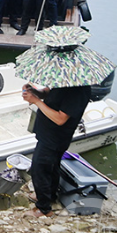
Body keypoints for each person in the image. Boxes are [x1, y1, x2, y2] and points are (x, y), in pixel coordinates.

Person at [22, 83, 91, 217]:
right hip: (47, 133)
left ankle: (44, 209)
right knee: (52, 166)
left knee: (39, 168)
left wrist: (36, 101)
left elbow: (60, 119)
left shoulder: (78, 91)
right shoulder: (65, 81)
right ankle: (50, 196)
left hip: (56, 137)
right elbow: (52, 94)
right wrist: (37, 93)